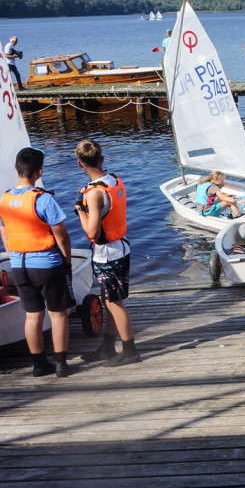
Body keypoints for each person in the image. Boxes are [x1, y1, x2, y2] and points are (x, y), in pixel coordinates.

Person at [0, 147, 76, 377]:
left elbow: (6, 237)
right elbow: (61, 235)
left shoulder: (4, 199)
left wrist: (16, 255)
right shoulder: (43, 199)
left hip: (19, 265)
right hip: (46, 264)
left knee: (32, 316)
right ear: (39, 172)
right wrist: (67, 260)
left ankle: (39, 365)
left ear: (16, 168)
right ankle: (61, 365)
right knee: (58, 314)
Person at [74, 139, 140, 367]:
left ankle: (130, 350)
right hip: (121, 247)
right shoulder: (114, 180)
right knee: (110, 299)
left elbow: (91, 230)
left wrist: (80, 211)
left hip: (107, 253)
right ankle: (108, 346)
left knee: (113, 303)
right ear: (102, 159)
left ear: (80, 164)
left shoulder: (93, 194)